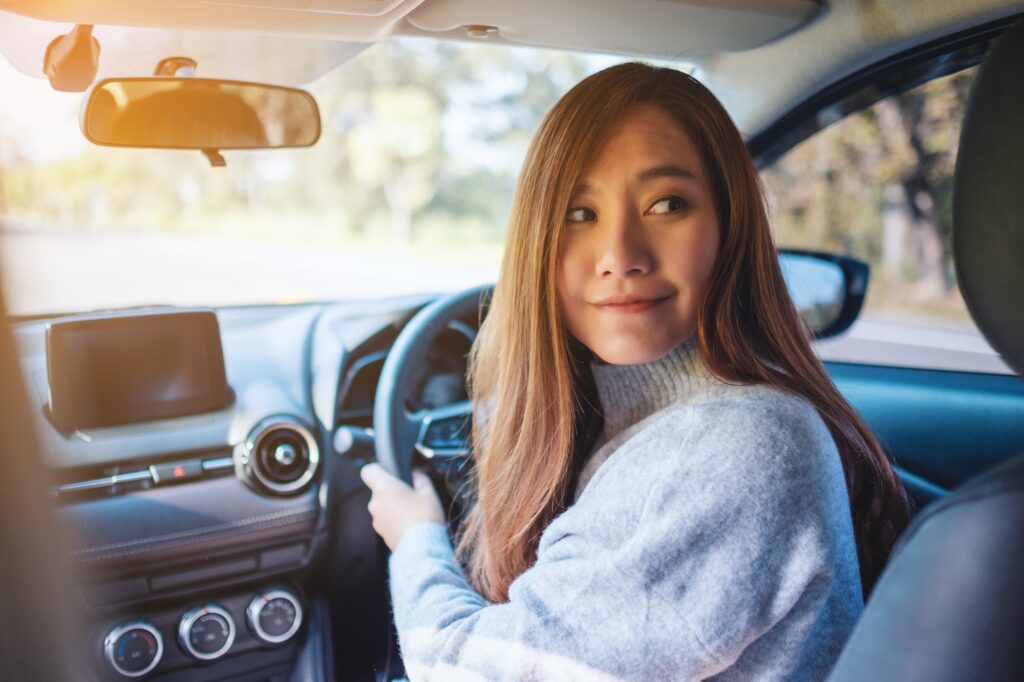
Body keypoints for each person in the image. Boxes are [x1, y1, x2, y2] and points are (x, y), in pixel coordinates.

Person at [360, 62, 911, 680]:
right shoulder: (640, 426)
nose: (620, 256)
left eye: (666, 204)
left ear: (729, 229)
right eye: (578, 213)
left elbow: (460, 667)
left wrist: (416, 538)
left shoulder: (742, 449)